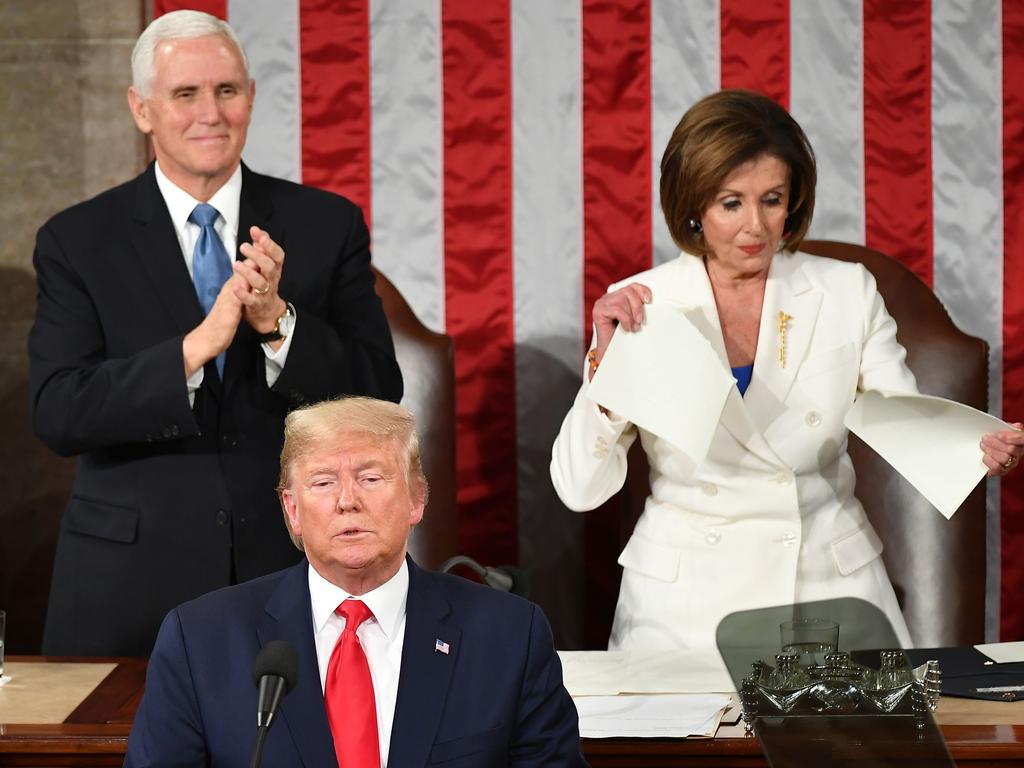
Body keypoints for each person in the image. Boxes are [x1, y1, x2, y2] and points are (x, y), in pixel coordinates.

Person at [550, 89, 1024, 652]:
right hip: (682, 613)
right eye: (732, 203)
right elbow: (578, 488)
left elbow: (904, 421)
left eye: (772, 199)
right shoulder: (641, 305)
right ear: (693, 206)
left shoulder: (846, 290)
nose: (756, 226)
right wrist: (607, 376)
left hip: (828, 597)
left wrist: (975, 448)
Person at [28, 10, 402, 657]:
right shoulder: (77, 239)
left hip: (284, 575)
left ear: (251, 98)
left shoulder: (324, 223)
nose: (211, 112)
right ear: (141, 109)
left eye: (227, 91)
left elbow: (377, 393)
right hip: (128, 585)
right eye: (185, 94)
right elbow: (59, 410)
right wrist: (194, 350)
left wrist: (276, 323)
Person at [125, 397, 587, 768]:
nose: (348, 501)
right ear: (292, 510)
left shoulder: (509, 636)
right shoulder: (200, 639)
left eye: (371, 477)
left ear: (416, 499)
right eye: (323, 483)